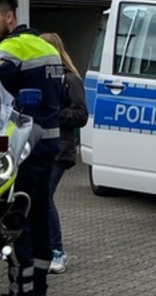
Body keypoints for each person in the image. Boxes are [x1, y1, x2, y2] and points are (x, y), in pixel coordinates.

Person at [0, 0, 63, 296]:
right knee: (39, 215)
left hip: (24, 146)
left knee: (15, 218)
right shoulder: (45, 48)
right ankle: (39, 289)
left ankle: (20, 295)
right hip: (49, 142)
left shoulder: (11, 48)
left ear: (9, 16)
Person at [41, 32, 87, 275]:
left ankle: (58, 252)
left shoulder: (70, 80)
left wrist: (54, 114)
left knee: (45, 196)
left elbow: (81, 115)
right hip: (40, 148)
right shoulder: (40, 80)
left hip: (61, 149)